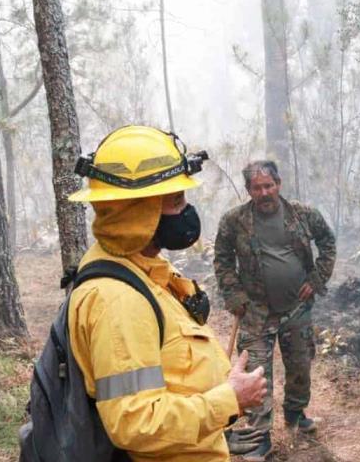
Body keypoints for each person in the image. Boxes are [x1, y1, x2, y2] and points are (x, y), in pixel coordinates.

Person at [65, 125, 266, 461]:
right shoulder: (118, 301)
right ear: (138, 211)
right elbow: (134, 421)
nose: (186, 209)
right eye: (176, 200)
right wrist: (229, 399)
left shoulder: (142, 268)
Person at [214, 160, 336, 461]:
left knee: (299, 367)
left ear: (278, 185)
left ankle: (296, 414)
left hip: (296, 308)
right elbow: (222, 258)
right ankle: (260, 436)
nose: (265, 192)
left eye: (269, 185)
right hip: (255, 311)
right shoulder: (235, 221)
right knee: (256, 373)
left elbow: (328, 243)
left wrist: (317, 278)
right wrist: (234, 294)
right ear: (249, 191)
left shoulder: (303, 215)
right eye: (258, 188)